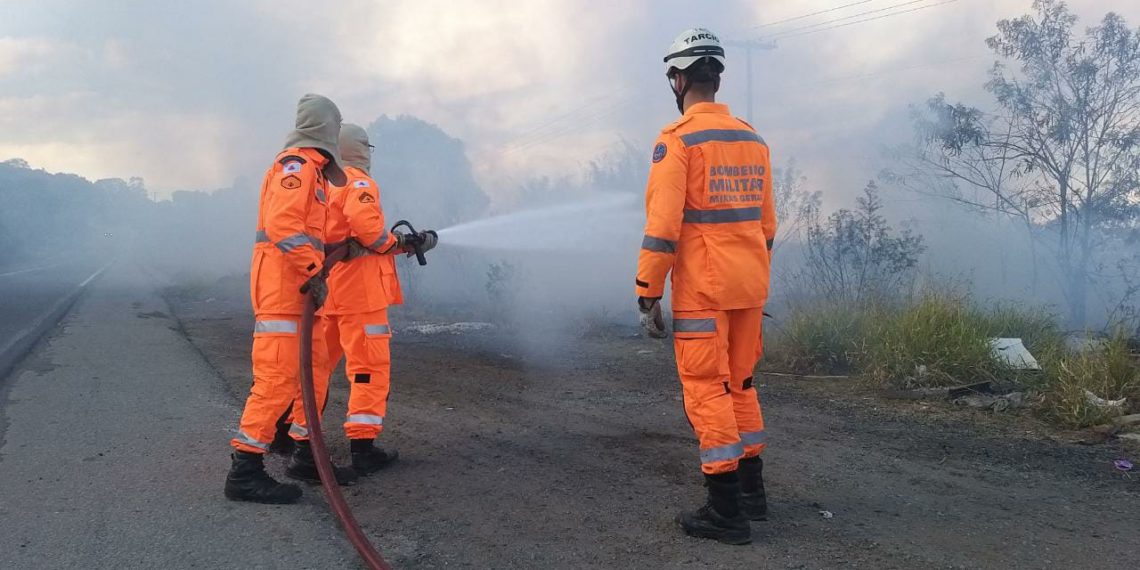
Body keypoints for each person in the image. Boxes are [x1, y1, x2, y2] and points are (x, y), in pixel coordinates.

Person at [635, 28, 777, 544]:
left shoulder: (677, 142)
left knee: (706, 389)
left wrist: (647, 289)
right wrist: (753, 271)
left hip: (704, 289)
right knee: (741, 384)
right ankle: (753, 495)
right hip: (750, 284)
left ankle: (725, 512)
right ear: (715, 78)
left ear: (678, 79)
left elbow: (662, 226)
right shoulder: (751, 138)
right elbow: (767, 226)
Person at [224, 94, 358, 504]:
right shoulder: (296, 168)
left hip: (303, 294)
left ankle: (306, 454)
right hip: (286, 294)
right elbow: (284, 226)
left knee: (314, 374)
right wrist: (315, 271)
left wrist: (339, 246)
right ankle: (245, 471)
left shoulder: (315, 173)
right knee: (277, 379)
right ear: (326, 130)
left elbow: (308, 231)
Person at [318, 123, 436, 475]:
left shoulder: (323, 185)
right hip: (361, 296)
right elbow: (370, 232)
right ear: (361, 150)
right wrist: (402, 243)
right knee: (369, 369)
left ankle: (296, 439)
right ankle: (363, 447)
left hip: (329, 293)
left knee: (316, 367)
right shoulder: (358, 181)